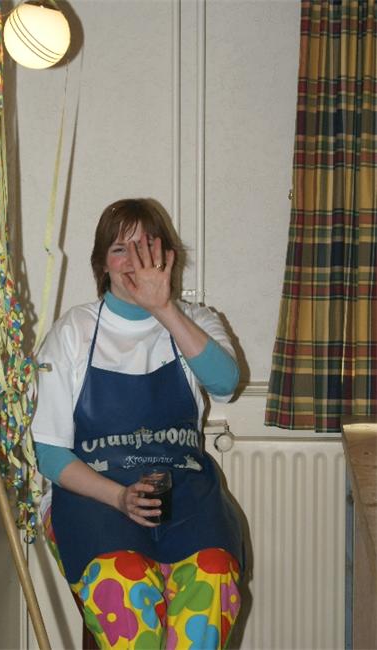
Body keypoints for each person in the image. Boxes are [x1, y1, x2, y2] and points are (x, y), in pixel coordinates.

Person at [32, 198, 244, 649]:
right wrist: (119, 497)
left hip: (185, 494)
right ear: (101, 265)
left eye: (146, 246)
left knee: (214, 574)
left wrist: (163, 309)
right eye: (119, 249)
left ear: (167, 256)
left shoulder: (196, 321)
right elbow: (49, 454)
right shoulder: (72, 332)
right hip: (94, 496)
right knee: (126, 584)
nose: (134, 260)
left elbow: (226, 383)